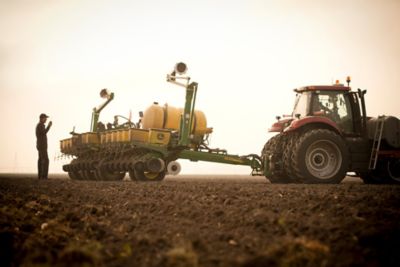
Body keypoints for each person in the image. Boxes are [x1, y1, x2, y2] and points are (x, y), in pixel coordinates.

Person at [36, 113, 52, 179]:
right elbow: (44, 132)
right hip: (42, 146)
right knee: (46, 160)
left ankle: (40, 176)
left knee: (41, 160)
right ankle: (44, 176)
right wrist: (49, 126)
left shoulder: (39, 125)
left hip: (40, 145)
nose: (46, 119)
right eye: (45, 118)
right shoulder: (40, 125)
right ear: (41, 118)